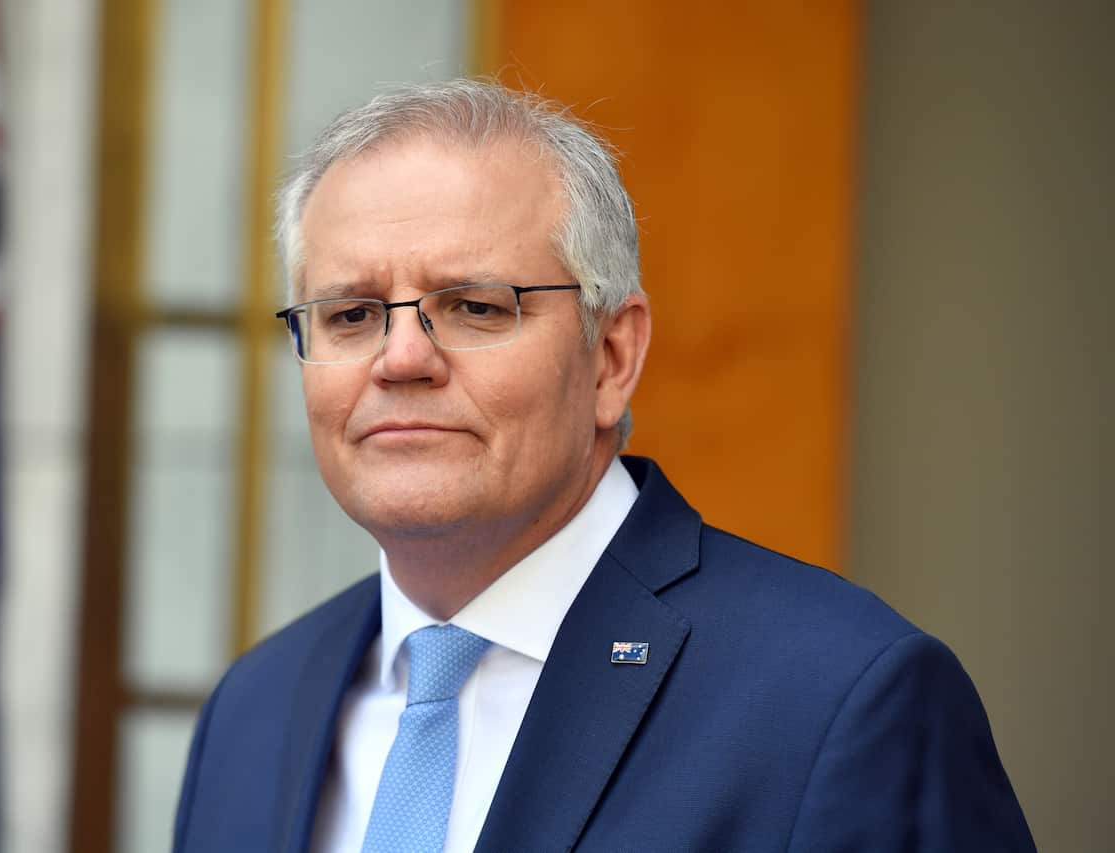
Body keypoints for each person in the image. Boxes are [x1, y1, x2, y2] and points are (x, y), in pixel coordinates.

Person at [172, 79, 1034, 852]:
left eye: (473, 306)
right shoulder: (253, 709)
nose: (400, 359)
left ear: (613, 355)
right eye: (352, 315)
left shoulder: (840, 700)